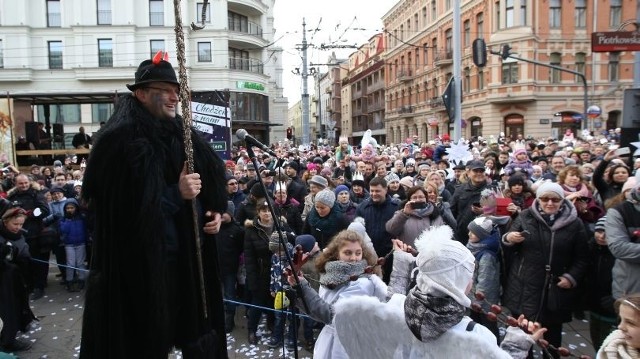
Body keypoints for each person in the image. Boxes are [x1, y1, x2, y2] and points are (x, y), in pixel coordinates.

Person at [80, 53, 229, 358]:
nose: (175, 96)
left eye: (177, 89)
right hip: (140, 271)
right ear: (141, 93)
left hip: (186, 263)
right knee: (143, 344)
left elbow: (210, 186)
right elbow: (121, 214)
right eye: (166, 89)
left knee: (195, 335)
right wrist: (177, 194)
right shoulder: (118, 141)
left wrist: (216, 213)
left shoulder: (183, 135)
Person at [332, 225, 546, 358]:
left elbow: (394, 295)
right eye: (468, 274)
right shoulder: (475, 337)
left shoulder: (398, 310)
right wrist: (517, 345)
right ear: (457, 281)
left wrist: (402, 262)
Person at [502, 181, 589, 358]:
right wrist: (509, 238)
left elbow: (582, 257)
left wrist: (571, 276)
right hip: (525, 286)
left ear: (562, 201)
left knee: (552, 340)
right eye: (545, 199)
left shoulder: (575, 224)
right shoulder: (525, 216)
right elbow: (508, 244)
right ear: (538, 199)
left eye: (555, 199)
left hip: (555, 290)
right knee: (522, 338)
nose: (550, 203)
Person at [287, 229, 387, 359]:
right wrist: (300, 283)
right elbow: (321, 303)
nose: (354, 258)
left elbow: (332, 315)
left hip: (347, 344)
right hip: (331, 338)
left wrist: (303, 287)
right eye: (347, 252)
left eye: (358, 253)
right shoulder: (331, 274)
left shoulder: (362, 283)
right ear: (337, 254)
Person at [6, 174, 50, 301]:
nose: (24, 185)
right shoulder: (12, 196)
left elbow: (44, 210)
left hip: (35, 233)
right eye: (21, 183)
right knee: (23, 262)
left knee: (38, 261)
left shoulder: (36, 193)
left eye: (25, 182)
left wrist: (29, 214)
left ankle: (39, 286)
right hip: (18, 235)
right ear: (16, 184)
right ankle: (28, 285)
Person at [0, 206, 36, 353]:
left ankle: (16, 329)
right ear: (5, 221)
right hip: (3, 281)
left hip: (16, 279)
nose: (18, 227)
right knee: (7, 310)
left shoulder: (18, 235)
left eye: (21, 224)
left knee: (17, 305)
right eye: (15, 224)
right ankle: (7, 341)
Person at [355, 177, 399, 283]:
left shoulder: (396, 207)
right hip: (369, 255)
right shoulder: (362, 208)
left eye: (378, 191)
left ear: (386, 190)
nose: (374, 194)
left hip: (390, 255)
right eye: (372, 191)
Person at [467, 217, 501, 342]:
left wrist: (478, 302)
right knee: (476, 324)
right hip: (473, 297)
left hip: (483, 301)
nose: (469, 234)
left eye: (473, 232)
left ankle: (493, 347)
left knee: (488, 326)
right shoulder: (474, 246)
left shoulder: (486, 255)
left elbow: (486, 281)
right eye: (469, 230)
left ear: (482, 235)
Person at [587, 216, 617, 352]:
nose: (602, 236)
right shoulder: (591, 248)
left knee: (609, 346)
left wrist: (616, 298)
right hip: (594, 305)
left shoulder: (619, 254)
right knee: (596, 341)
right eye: (599, 231)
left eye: (607, 232)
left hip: (612, 308)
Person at [450, 160, 490, 245]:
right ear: (468, 173)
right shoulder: (460, 190)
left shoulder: (492, 190)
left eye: (481, 171)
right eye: (475, 171)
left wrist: (484, 211)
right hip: (462, 235)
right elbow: (452, 211)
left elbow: (499, 213)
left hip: (484, 236)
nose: (479, 173)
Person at [58, 199, 88, 292]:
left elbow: (85, 230)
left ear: (76, 208)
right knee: (70, 264)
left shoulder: (82, 218)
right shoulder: (63, 219)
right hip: (69, 244)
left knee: (80, 263)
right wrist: (68, 220)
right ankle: (69, 281)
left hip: (81, 243)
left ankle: (81, 280)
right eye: (67, 208)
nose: (70, 210)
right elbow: (63, 230)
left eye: (72, 207)